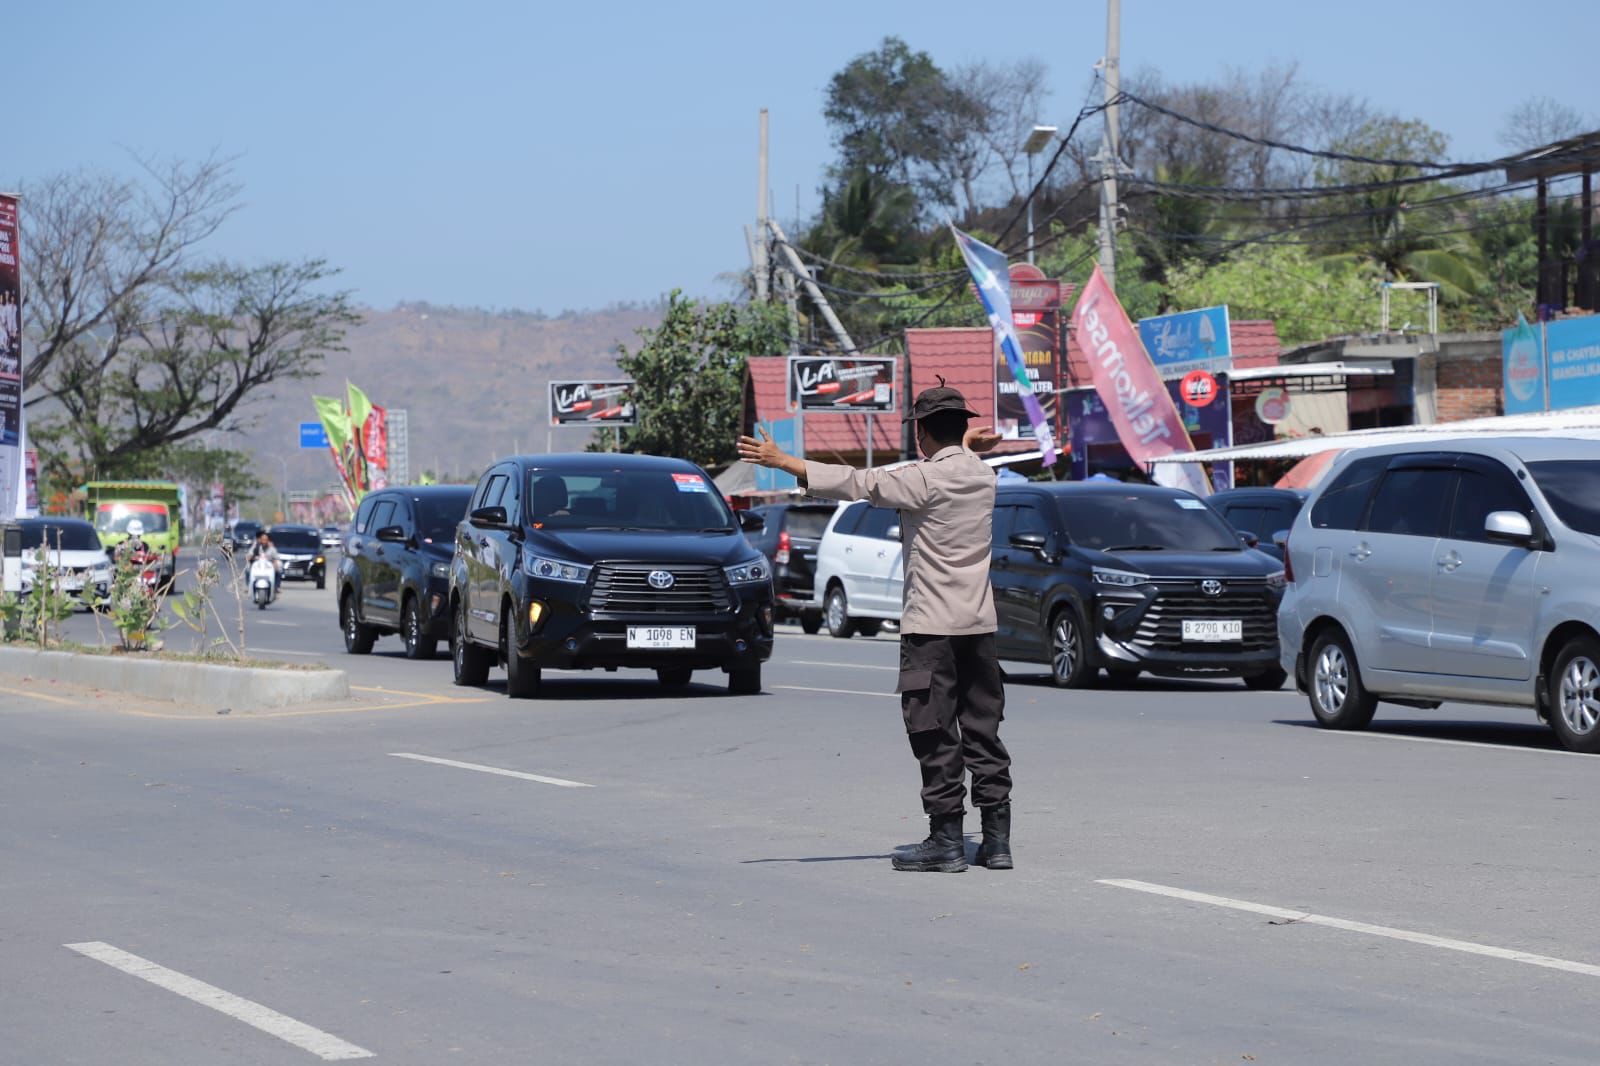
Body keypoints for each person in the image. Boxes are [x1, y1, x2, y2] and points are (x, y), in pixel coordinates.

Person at [737, 380, 1013, 873]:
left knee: (934, 733)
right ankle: (996, 842)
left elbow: (857, 483)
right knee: (983, 731)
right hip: (979, 627)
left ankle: (946, 840)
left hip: (931, 629)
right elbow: (955, 459)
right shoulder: (983, 477)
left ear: (923, 432)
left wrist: (784, 462)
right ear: (962, 428)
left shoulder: (920, 480)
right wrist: (967, 445)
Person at [248, 529, 282, 597]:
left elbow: (276, 557)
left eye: (266, 540)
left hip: (268, 567)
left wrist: (275, 564)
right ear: (260, 540)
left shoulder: (271, 548)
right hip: (258, 566)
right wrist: (251, 557)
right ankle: (249, 586)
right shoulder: (256, 547)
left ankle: (276, 587)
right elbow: (249, 555)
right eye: (262, 539)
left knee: (279, 570)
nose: (264, 541)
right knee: (248, 569)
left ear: (268, 540)